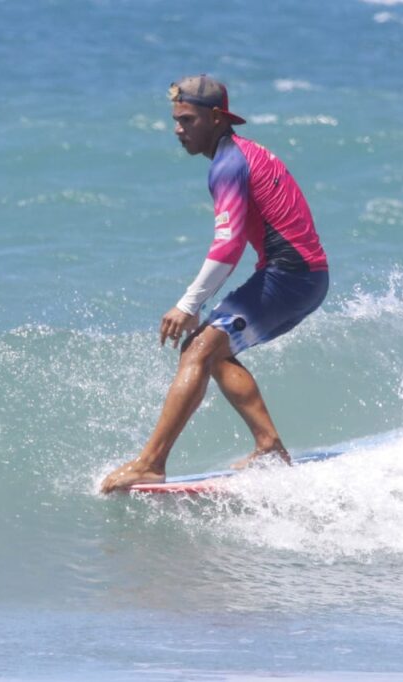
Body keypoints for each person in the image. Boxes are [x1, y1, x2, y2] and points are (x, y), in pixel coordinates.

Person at [100, 75, 329, 493]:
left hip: (291, 278)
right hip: (303, 277)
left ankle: (151, 463)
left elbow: (228, 245)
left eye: (188, 120)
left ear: (218, 118)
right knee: (213, 348)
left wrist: (188, 304)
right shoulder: (240, 152)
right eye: (175, 120)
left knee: (199, 349)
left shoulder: (228, 165)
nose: (178, 129)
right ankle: (270, 447)